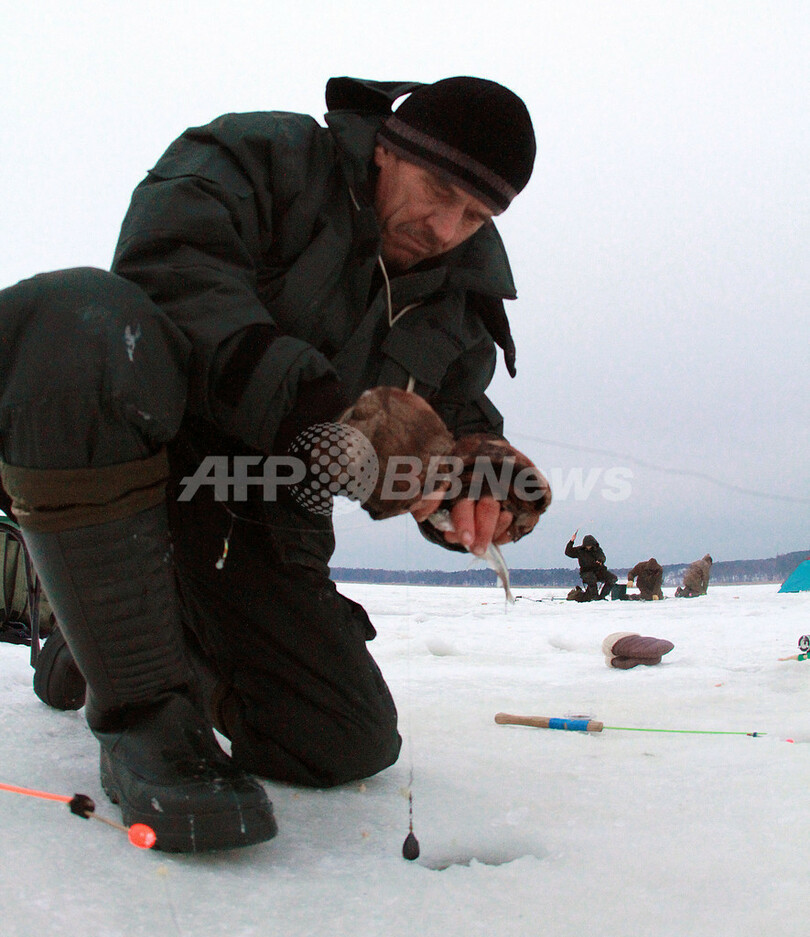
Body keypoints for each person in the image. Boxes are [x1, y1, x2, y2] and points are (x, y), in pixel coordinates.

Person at [0, 77, 551, 853]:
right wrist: (322, 411)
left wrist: (475, 480)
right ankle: (144, 719)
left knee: (344, 740)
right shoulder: (263, 158)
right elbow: (173, 269)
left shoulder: (461, 304)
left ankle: (99, 641)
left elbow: (453, 427)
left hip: (260, 519)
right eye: (439, 191)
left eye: (477, 215)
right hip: (142, 458)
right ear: (389, 149)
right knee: (78, 319)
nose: (447, 227)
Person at [565, 533, 617, 600]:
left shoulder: (598, 550)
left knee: (612, 578)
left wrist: (600, 560)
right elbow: (568, 552)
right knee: (592, 579)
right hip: (586, 572)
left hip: (599, 571)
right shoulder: (579, 550)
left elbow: (602, 556)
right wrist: (571, 541)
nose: (588, 547)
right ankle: (594, 597)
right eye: (587, 546)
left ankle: (602, 596)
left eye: (590, 545)